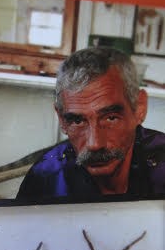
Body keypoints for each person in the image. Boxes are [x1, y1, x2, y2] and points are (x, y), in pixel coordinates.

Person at [16, 47, 165, 202]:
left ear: (139, 108)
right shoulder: (46, 179)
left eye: (111, 118)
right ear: (61, 119)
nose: (94, 144)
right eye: (78, 121)